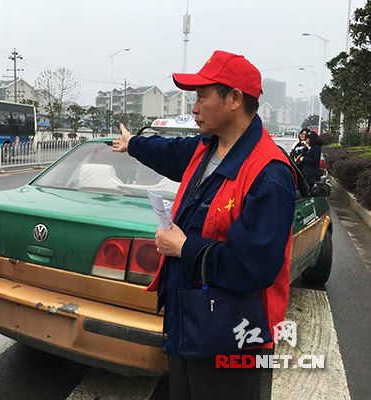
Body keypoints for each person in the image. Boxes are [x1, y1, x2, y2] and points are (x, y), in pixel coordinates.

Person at [112, 50, 296, 400]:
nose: (193, 107)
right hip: (190, 321)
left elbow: (253, 267)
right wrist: (133, 143)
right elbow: (171, 152)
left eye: (202, 96)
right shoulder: (209, 148)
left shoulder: (268, 175)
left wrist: (184, 248)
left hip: (232, 333)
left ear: (235, 99)